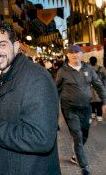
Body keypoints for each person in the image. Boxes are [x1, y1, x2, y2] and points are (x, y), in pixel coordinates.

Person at [0, 21, 60, 175]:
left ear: (16, 46)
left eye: (2, 45)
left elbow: (41, 138)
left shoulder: (35, 78)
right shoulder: (8, 76)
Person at [56, 45, 106, 175]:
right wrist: (52, 108)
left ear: (82, 54)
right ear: (67, 56)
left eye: (77, 52)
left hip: (86, 108)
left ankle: (75, 154)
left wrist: (105, 101)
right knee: (77, 135)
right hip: (69, 108)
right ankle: (84, 166)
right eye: (71, 53)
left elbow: (99, 85)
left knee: (84, 134)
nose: (74, 55)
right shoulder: (63, 71)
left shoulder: (88, 69)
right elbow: (56, 89)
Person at [89, 56, 106, 121]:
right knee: (99, 102)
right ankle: (99, 116)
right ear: (96, 61)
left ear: (90, 62)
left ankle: (93, 113)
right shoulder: (102, 69)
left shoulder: (87, 69)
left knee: (91, 101)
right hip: (99, 88)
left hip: (90, 88)